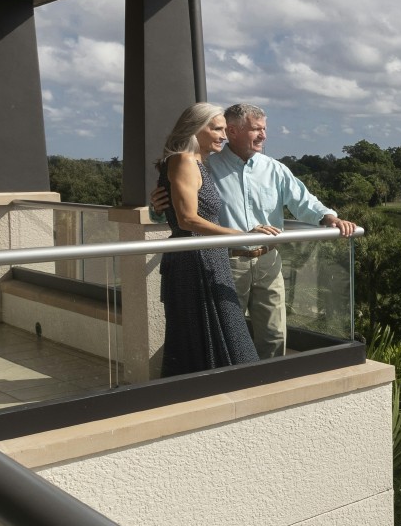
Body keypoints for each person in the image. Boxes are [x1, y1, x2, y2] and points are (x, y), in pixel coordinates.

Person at [152, 103, 356, 358]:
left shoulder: (274, 169)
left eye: (264, 129)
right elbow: (180, 210)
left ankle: (269, 387)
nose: (264, 135)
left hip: (269, 261)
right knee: (227, 333)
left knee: (274, 334)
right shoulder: (204, 164)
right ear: (234, 131)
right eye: (256, 129)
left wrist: (329, 218)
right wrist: (157, 207)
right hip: (226, 261)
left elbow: (303, 201)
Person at [155, 103, 278, 376]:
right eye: (217, 128)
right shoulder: (185, 161)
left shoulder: (195, 163)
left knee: (215, 335)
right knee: (217, 337)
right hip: (195, 260)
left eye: (224, 128)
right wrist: (243, 236)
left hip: (206, 257)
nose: (224, 135)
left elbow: (174, 208)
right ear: (196, 128)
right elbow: (187, 219)